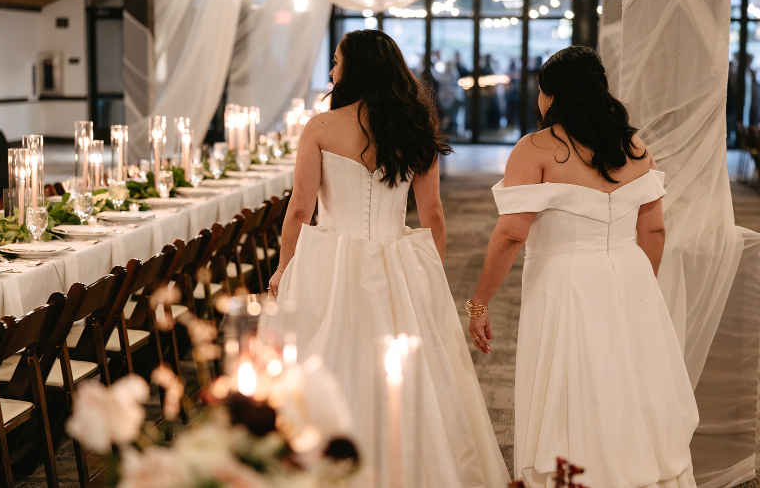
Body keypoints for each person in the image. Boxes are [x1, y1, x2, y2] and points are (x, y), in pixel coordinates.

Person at [260, 30, 510, 487]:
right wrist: (428, 274)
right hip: (398, 260)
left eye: (336, 62)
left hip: (330, 262)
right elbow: (433, 214)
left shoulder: (321, 127)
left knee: (327, 360)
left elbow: (300, 210)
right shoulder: (414, 126)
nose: (332, 71)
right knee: (414, 372)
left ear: (353, 69)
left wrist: (283, 267)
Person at [467, 46, 698, 487]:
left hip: (564, 281)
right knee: (628, 379)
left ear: (551, 96)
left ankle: (577, 473)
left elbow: (512, 233)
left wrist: (479, 302)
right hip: (631, 274)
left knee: (571, 385)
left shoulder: (535, 148)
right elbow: (654, 231)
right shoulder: (633, 146)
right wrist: (636, 286)